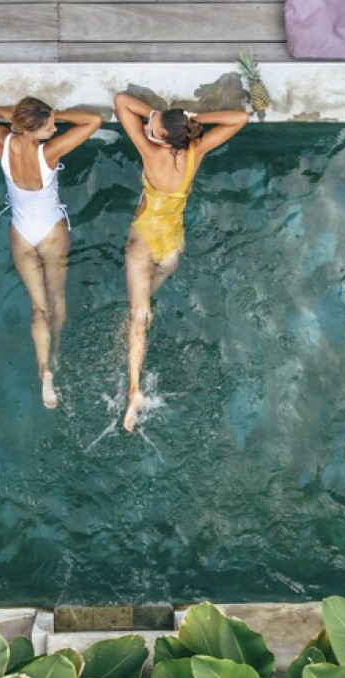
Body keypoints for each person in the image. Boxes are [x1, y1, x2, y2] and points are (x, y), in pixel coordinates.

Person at [0, 98, 103, 408]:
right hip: (51, 233)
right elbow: (93, 121)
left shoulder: (2, 141)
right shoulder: (47, 152)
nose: (55, 128)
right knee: (56, 298)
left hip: (21, 233)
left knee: (38, 308)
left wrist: (1, 113)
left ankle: (43, 369)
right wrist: (52, 115)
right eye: (49, 126)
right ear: (33, 131)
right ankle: (55, 353)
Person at [113, 92, 247, 432]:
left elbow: (121, 101)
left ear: (159, 138)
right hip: (172, 245)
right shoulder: (194, 151)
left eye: (153, 126)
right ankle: (136, 329)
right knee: (146, 302)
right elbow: (240, 118)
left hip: (143, 240)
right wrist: (194, 120)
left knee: (138, 315)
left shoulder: (149, 151)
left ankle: (133, 389)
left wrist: (156, 114)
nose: (148, 126)